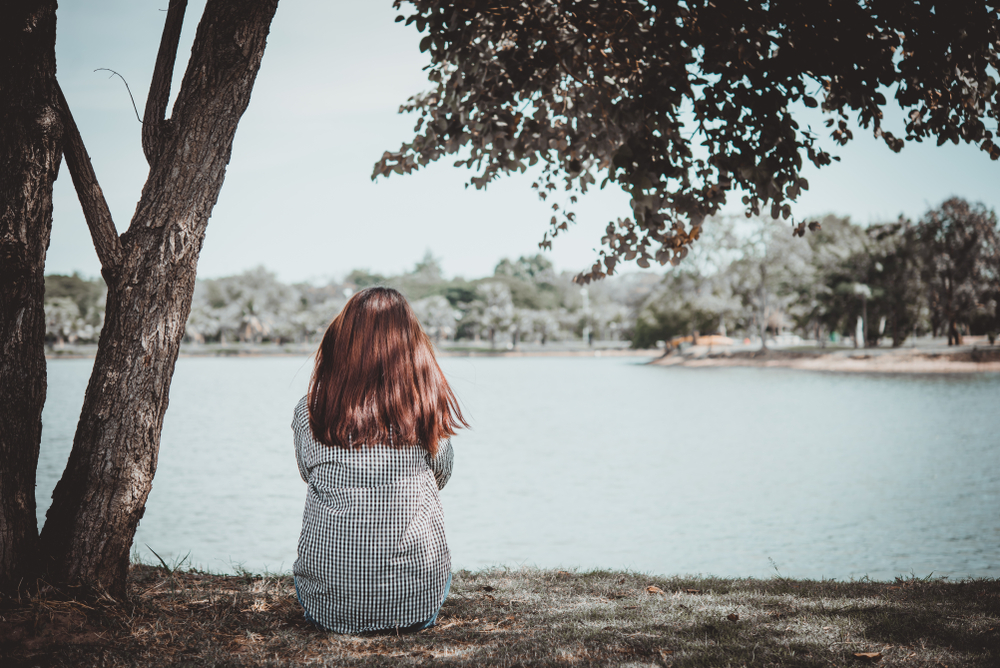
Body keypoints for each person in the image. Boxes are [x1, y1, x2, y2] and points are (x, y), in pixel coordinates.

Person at [292, 287, 466, 633]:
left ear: (341, 341)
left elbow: (307, 472)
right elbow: (441, 475)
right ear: (412, 344)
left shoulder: (312, 408)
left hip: (327, 606)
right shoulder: (425, 406)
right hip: (415, 606)